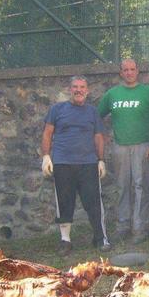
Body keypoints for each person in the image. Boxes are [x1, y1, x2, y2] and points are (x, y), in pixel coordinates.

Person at [41, 76, 111, 256]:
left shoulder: (92, 112)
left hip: (88, 163)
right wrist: (46, 156)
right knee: (64, 202)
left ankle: (100, 237)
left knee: (93, 201)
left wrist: (101, 159)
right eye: (75, 87)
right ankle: (65, 240)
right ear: (69, 89)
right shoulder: (57, 109)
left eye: (82, 87)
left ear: (87, 91)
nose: (78, 90)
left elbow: (98, 136)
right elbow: (48, 133)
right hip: (63, 163)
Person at [98, 59, 149, 244]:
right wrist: (105, 136)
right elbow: (96, 116)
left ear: (137, 71)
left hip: (143, 145)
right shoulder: (112, 94)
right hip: (120, 146)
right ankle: (122, 226)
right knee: (122, 186)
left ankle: (140, 227)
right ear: (120, 73)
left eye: (132, 69)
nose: (129, 72)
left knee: (141, 186)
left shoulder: (148, 92)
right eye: (125, 70)